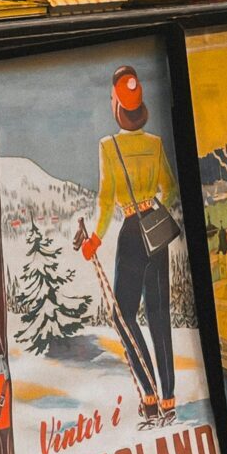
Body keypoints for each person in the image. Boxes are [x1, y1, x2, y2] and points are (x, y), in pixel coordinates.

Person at [81, 66, 179, 417]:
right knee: (158, 315)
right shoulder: (154, 144)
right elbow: (170, 187)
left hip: (132, 232)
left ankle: (150, 395)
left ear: (118, 107)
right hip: (156, 227)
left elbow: (106, 201)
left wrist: (94, 239)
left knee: (121, 314)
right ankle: (168, 397)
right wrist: (154, 207)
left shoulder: (108, 146)